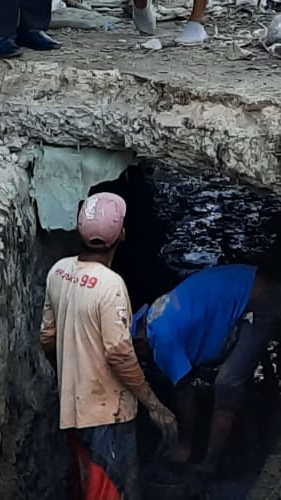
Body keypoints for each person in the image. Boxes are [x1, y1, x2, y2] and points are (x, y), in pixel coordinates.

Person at [42, 193, 180, 499]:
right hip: (106, 413)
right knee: (111, 489)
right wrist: (154, 404)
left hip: (72, 407)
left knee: (85, 479)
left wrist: (70, 376)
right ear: (123, 235)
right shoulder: (111, 286)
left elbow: (47, 338)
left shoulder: (59, 271)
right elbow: (119, 354)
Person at [131, 265, 281, 475]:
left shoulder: (161, 341)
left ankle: (210, 463)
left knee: (226, 383)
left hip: (262, 302)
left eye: (135, 352)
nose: (138, 358)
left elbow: (184, 391)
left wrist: (184, 443)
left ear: (140, 341)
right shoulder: (156, 312)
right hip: (250, 281)